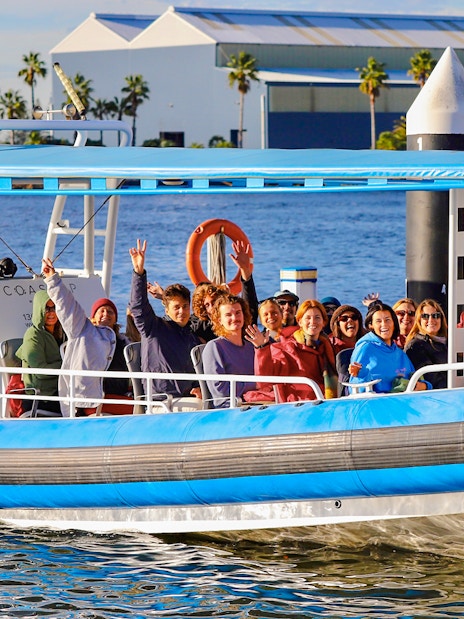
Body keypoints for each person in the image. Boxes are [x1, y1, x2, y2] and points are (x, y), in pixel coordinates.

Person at [41, 258, 123, 416]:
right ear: (93, 317)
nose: (106, 314)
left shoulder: (122, 341)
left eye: (110, 312)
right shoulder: (82, 330)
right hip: (87, 401)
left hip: (115, 397)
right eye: (101, 311)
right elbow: (67, 306)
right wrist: (52, 279)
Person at [129, 239, 201, 403]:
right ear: (166, 309)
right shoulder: (154, 328)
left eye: (185, 306)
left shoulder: (191, 336)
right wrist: (139, 273)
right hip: (161, 400)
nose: (181, 311)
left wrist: (198, 387)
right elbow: (137, 307)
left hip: (188, 398)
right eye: (176, 307)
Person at [251, 299, 337, 402]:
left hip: (325, 402)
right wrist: (262, 348)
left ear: (323, 322)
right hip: (297, 405)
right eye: (308, 318)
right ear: (300, 322)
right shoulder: (286, 348)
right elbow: (264, 381)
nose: (313, 322)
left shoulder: (328, 347)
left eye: (317, 317)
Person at [349, 301, 428, 394]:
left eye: (387, 320)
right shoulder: (365, 348)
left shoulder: (400, 353)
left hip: (404, 401)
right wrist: (362, 375)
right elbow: (354, 389)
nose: (384, 324)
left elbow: (416, 379)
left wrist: (425, 386)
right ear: (371, 325)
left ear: (394, 323)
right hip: (378, 403)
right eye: (378, 321)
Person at [202, 293, 256, 408]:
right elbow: (220, 390)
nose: (234, 318)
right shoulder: (214, 347)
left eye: (238, 313)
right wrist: (255, 385)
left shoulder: (252, 347)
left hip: (257, 403)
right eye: (228, 315)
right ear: (220, 320)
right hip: (230, 407)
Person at [16, 290, 64, 414]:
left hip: (61, 390)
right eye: (47, 308)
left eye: (54, 307)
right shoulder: (33, 335)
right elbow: (40, 371)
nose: (51, 312)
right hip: (41, 398)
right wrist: (67, 366)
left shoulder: (62, 333)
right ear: (39, 309)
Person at [405, 299, 448, 389]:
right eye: (425, 316)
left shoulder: (451, 342)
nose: (431, 320)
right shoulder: (415, 347)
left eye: (436, 315)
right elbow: (432, 379)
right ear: (419, 320)